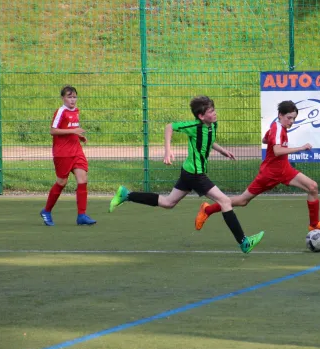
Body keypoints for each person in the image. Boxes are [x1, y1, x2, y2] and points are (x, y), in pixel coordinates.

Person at [108, 95, 264, 254]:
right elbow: (169, 127)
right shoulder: (193, 126)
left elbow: (208, 140)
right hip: (196, 175)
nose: (215, 113)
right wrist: (168, 151)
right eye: (211, 111)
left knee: (168, 202)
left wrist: (223, 151)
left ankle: (127, 195)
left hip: (188, 172)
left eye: (214, 109)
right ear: (201, 116)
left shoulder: (212, 125)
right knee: (225, 201)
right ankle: (244, 242)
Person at [194, 100, 320, 233]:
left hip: (284, 170)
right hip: (269, 174)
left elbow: (265, 139)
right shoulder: (278, 129)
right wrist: (301, 148)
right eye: (289, 118)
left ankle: (314, 224)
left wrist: (270, 137)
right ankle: (208, 210)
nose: (292, 121)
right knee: (243, 201)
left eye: (294, 118)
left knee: (312, 187)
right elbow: (277, 150)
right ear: (280, 115)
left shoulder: (277, 126)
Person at [39, 85, 96, 226]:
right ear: (63, 98)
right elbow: (53, 131)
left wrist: (79, 137)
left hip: (76, 151)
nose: (72, 100)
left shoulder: (76, 111)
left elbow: (71, 129)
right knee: (61, 182)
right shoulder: (60, 111)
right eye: (69, 97)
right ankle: (46, 211)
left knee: (82, 178)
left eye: (74, 97)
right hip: (62, 153)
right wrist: (73, 132)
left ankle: (81, 215)